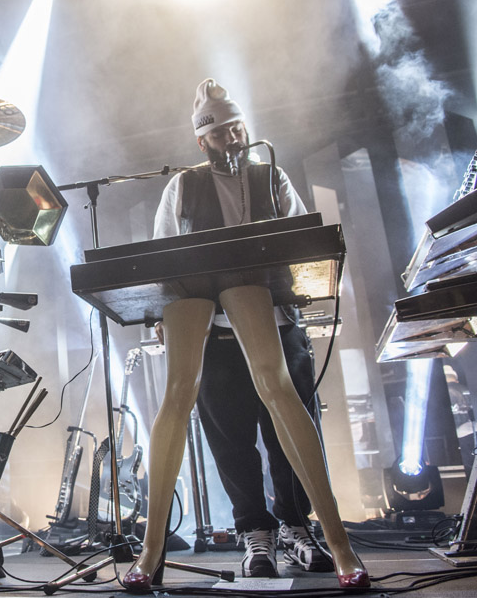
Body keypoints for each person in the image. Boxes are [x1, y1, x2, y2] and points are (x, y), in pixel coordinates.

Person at [122, 80, 368, 590]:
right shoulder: (183, 187)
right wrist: (163, 320)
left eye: (237, 127)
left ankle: (300, 528)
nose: (233, 137)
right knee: (229, 438)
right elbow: (164, 252)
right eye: (221, 133)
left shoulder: (270, 176)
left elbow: (302, 237)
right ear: (202, 141)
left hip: (275, 320)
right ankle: (255, 532)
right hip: (211, 330)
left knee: (290, 427)